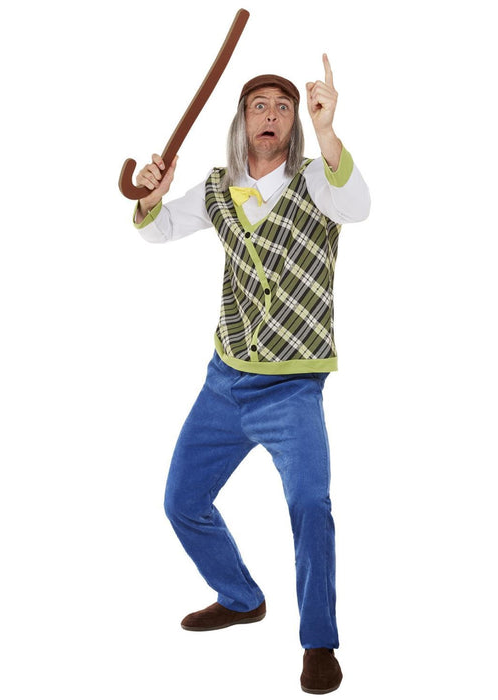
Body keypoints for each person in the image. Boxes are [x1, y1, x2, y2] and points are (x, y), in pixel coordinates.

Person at [132, 54, 370, 694]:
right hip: (225, 380)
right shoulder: (218, 189)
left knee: (310, 505)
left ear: (296, 124)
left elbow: (358, 205)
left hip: (292, 387)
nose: (271, 115)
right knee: (182, 501)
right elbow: (159, 230)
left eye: (283, 107)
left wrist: (329, 132)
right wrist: (152, 197)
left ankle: (318, 642)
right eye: (259, 106)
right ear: (242, 122)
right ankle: (240, 598)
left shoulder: (318, 181)